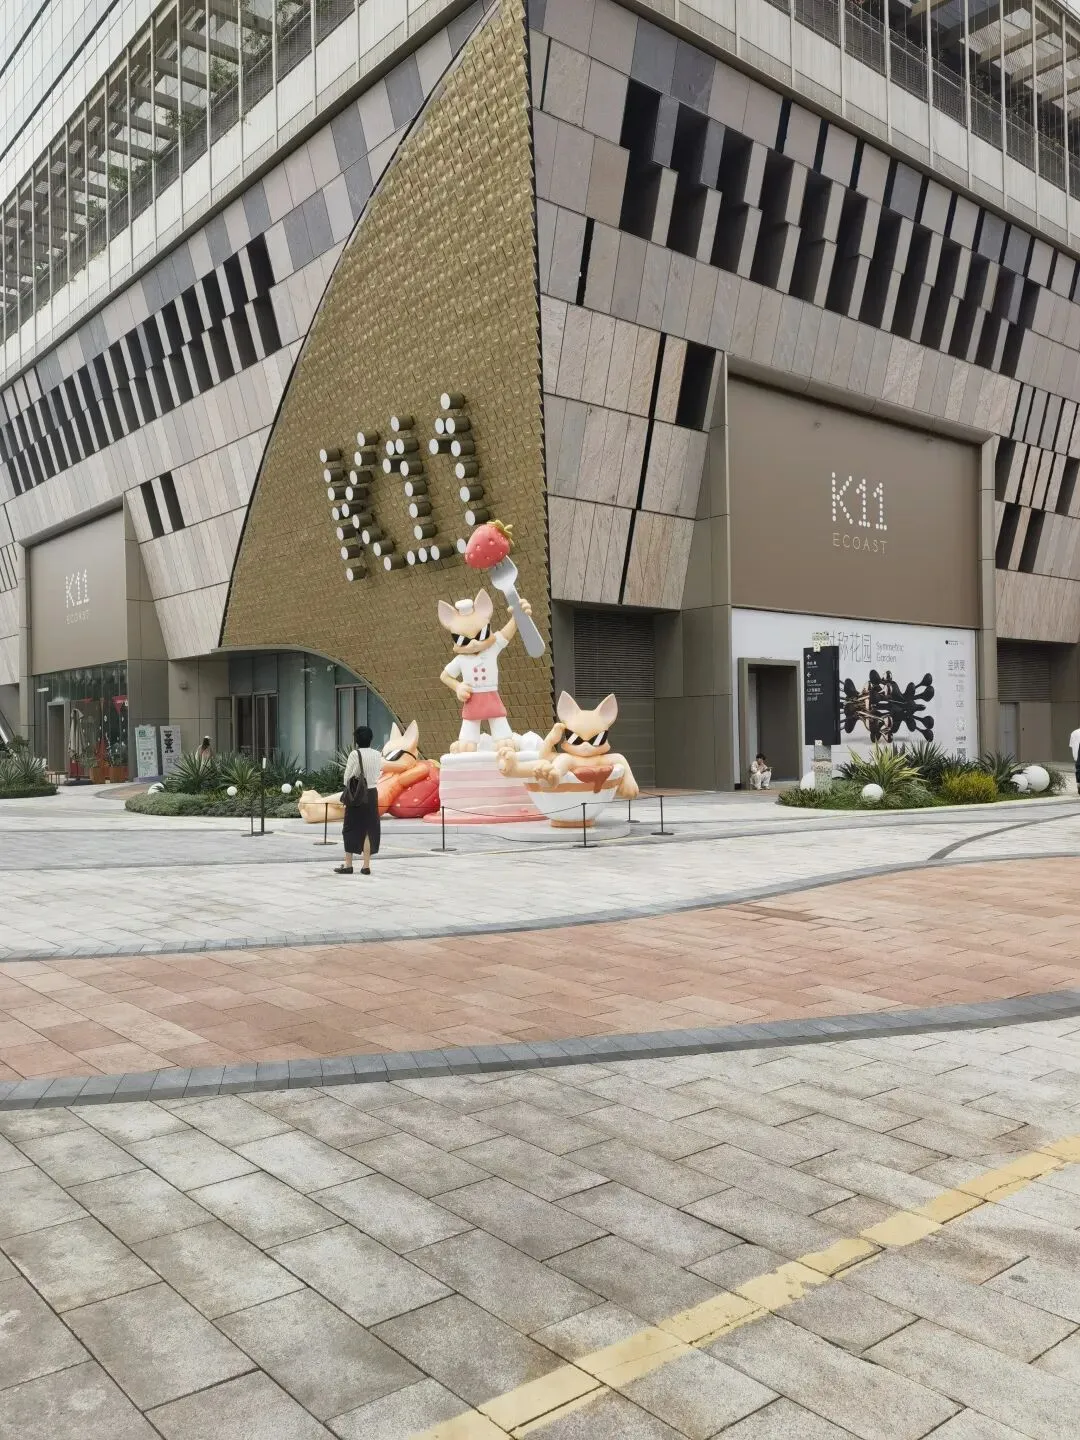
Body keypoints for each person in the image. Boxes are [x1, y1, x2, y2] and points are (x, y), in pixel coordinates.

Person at [336, 724, 383, 876]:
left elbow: (347, 777)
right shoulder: (377, 754)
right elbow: (378, 773)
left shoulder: (354, 754)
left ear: (356, 740)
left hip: (357, 795)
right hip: (372, 794)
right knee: (369, 829)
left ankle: (348, 865)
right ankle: (366, 866)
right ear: (371, 739)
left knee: (350, 827)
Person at [1071, 724, 1080, 793]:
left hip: (1076, 756)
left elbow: (1072, 745)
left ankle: (1079, 785)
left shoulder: (1074, 732)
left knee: (1078, 770)